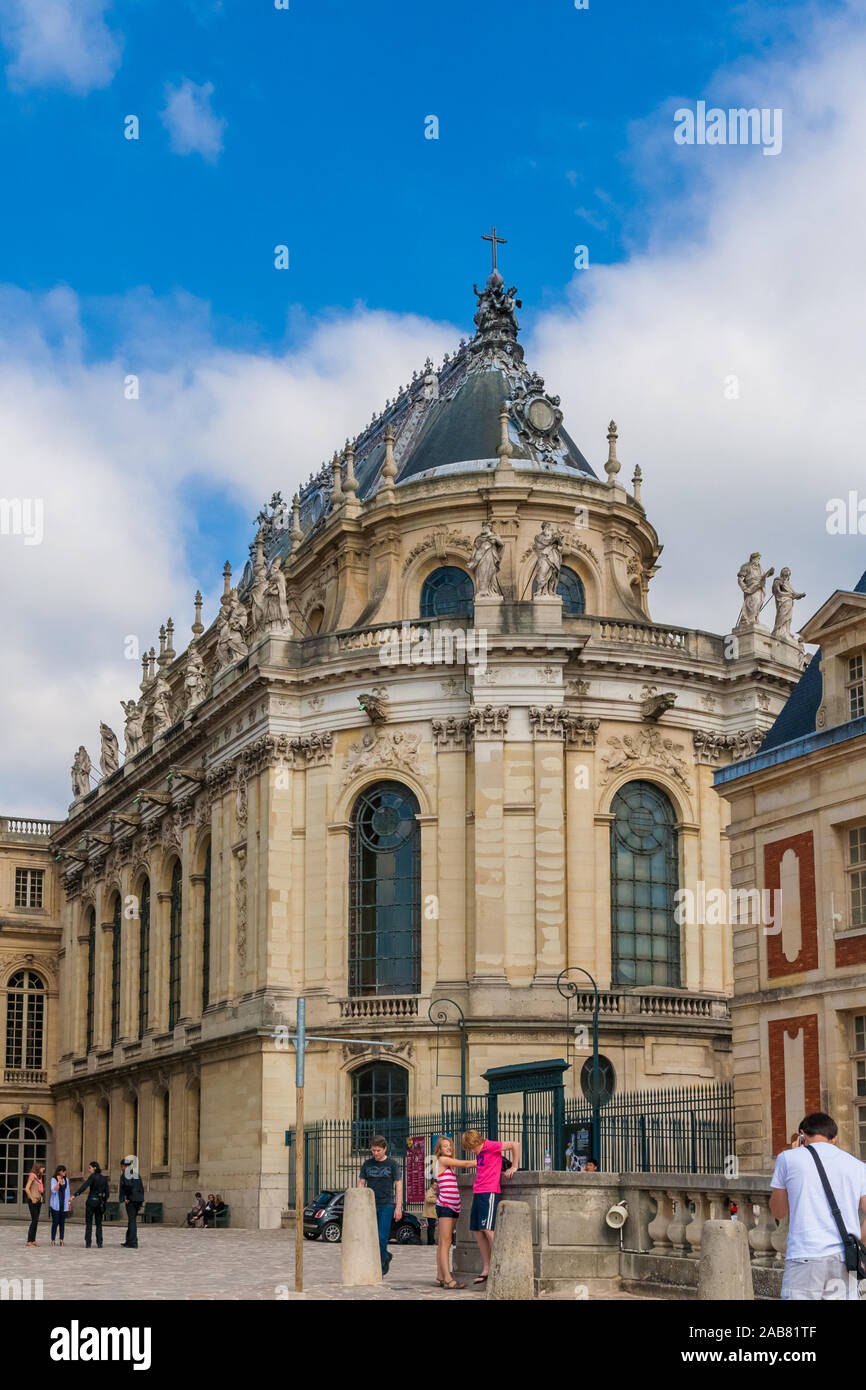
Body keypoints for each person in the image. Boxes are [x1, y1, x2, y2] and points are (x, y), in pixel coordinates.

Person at [770, 1111, 866, 1301]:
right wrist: (858, 1241)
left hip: (805, 1256)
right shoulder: (857, 1166)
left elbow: (778, 1211)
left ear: (802, 1135)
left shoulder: (788, 1159)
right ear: (835, 1138)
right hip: (845, 1258)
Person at [458, 1129, 520, 1284]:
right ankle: (487, 1268)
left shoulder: (490, 1145)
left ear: (477, 1142)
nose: (472, 1151)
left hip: (490, 1191)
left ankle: (504, 1263)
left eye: (472, 1148)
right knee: (478, 1231)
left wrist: (514, 1166)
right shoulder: (479, 1151)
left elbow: (515, 1144)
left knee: (488, 1229)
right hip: (478, 1191)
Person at [359, 1136, 402, 1277]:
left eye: (378, 1150)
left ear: (385, 1149)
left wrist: (398, 1207)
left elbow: (398, 1186)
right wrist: (360, 1203)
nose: (375, 1153)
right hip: (370, 1205)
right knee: (371, 1237)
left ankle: (381, 1264)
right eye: (373, 1150)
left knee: (382, 1236)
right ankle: (384, 1256)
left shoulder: (392, 1164)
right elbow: (361, 1184)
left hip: (387, 1204)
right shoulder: (367, 1164)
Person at [431, 1136, 467, 1290]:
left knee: (443, 1243)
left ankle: (440, 1276)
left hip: (454, 1207)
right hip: (446, 1206)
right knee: (446, 1243)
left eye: (450, 1146)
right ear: (439, 1149)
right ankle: (448, 1279)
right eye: (445, 1146)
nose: (449, 1148)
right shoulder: (443, 1160)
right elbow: (465, 1163)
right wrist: (483, 1160)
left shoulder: (449, 1165)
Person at [70, 1161, 110, 1248]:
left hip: (91, 1201)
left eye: (90, 1168)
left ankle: (88, 1243)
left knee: (89, 1223)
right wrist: (103, 1201)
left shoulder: (92, 1177)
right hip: (99, 1202)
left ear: (94, 1168)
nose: (89, 1170)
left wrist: (75, 1195)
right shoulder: (104, 1178)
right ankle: (99, 1243)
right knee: (99, 1224)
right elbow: (107, 1193)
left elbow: (84, 1186)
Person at [119, 1154, 144, 1249]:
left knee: (132, 1220)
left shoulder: (125, 1174)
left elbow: (128, 1186)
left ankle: (133, 1242)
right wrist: (141, 1200)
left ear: (124, 1166)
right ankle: (129, 1240)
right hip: (138, 1199)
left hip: (131, 1200)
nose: (121, 1169)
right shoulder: (137, 1174)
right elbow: (141, 1188)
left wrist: (126, 1197)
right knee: (132, 1220)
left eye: (122, 1166)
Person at [49, 1164, 71, 1245]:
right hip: (55, 1205)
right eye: (63, 1171)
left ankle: (61, 1239)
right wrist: (58, 1182)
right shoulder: (53, 1179)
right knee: (55, 1223)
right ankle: (53, 1240)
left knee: (62, 1223)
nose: (65, 1172)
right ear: (59, 1172)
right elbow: (53, 1190)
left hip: (64, 1205)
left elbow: (68, 1192)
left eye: (65, 1171)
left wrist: (69, 1203)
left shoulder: (66, 1180)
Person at [24, 1163, 45, 1246]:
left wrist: (41, 1197)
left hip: (38, 1201)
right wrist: (32, 1198)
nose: (43, 1169)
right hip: (33, 1201)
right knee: (34, 1221)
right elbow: (26, 1188)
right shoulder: (32, 1176)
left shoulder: (39, 1178)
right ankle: (29, 1241)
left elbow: (38, 1190)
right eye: (42, 1168)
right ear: (38, 1168)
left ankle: (33, 1241)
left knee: (36, 1221)